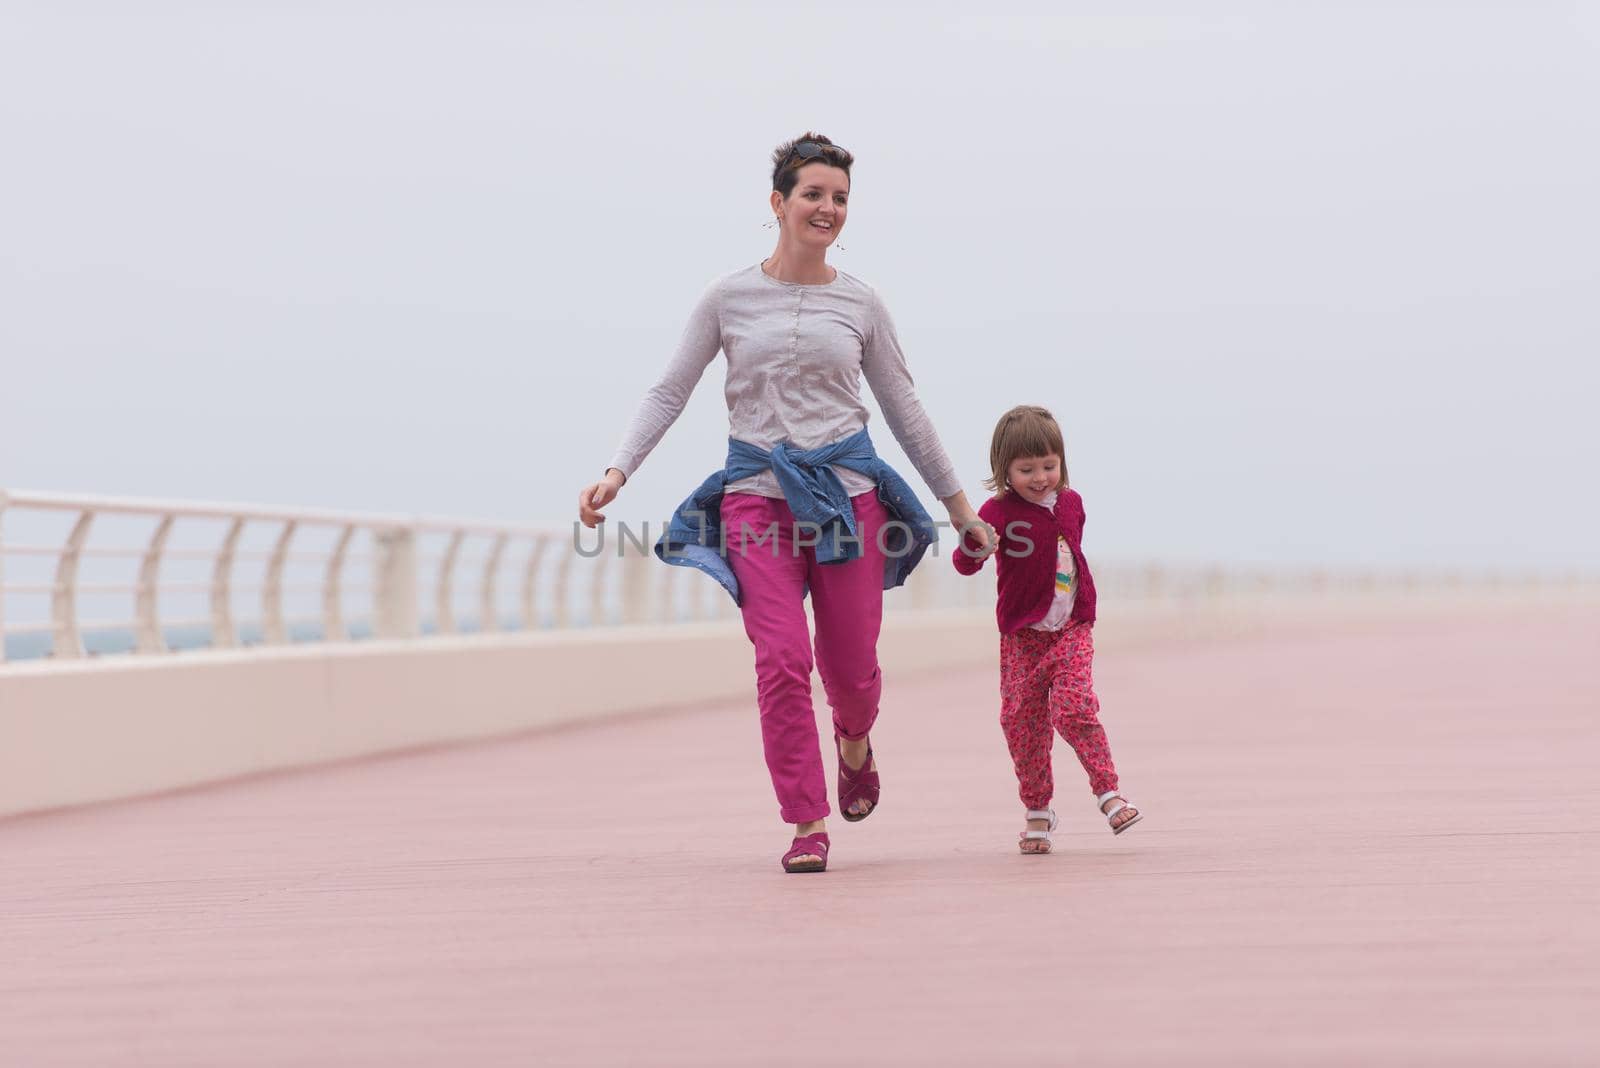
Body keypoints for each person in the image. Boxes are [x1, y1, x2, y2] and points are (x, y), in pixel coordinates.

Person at [577, 133, 992, 873]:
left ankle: (855, 742)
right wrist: (619, 471)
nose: (827, 209)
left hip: (849, 501)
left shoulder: (862, 303)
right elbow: (670, 388)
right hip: (756, 501)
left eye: (839, 199)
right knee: (779, 660)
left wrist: (961, 510)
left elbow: (905, 409)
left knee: (853, 669)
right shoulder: (726, 298)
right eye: (813, 195)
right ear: (778, 203)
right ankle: (806, 821)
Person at [952, 405, 1141, 853]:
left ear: (1062, 462)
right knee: (1022, 724)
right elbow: (964, 564)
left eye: (1049, 466)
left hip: (1072, 627)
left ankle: (1109, 793)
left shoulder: (1072, 503)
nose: (1040, 477)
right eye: (1027, 469)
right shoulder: (996, 512)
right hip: (1022, 637)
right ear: (1005, 470)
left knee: (1073, 707)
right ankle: (1038, 809)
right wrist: (976, 543)